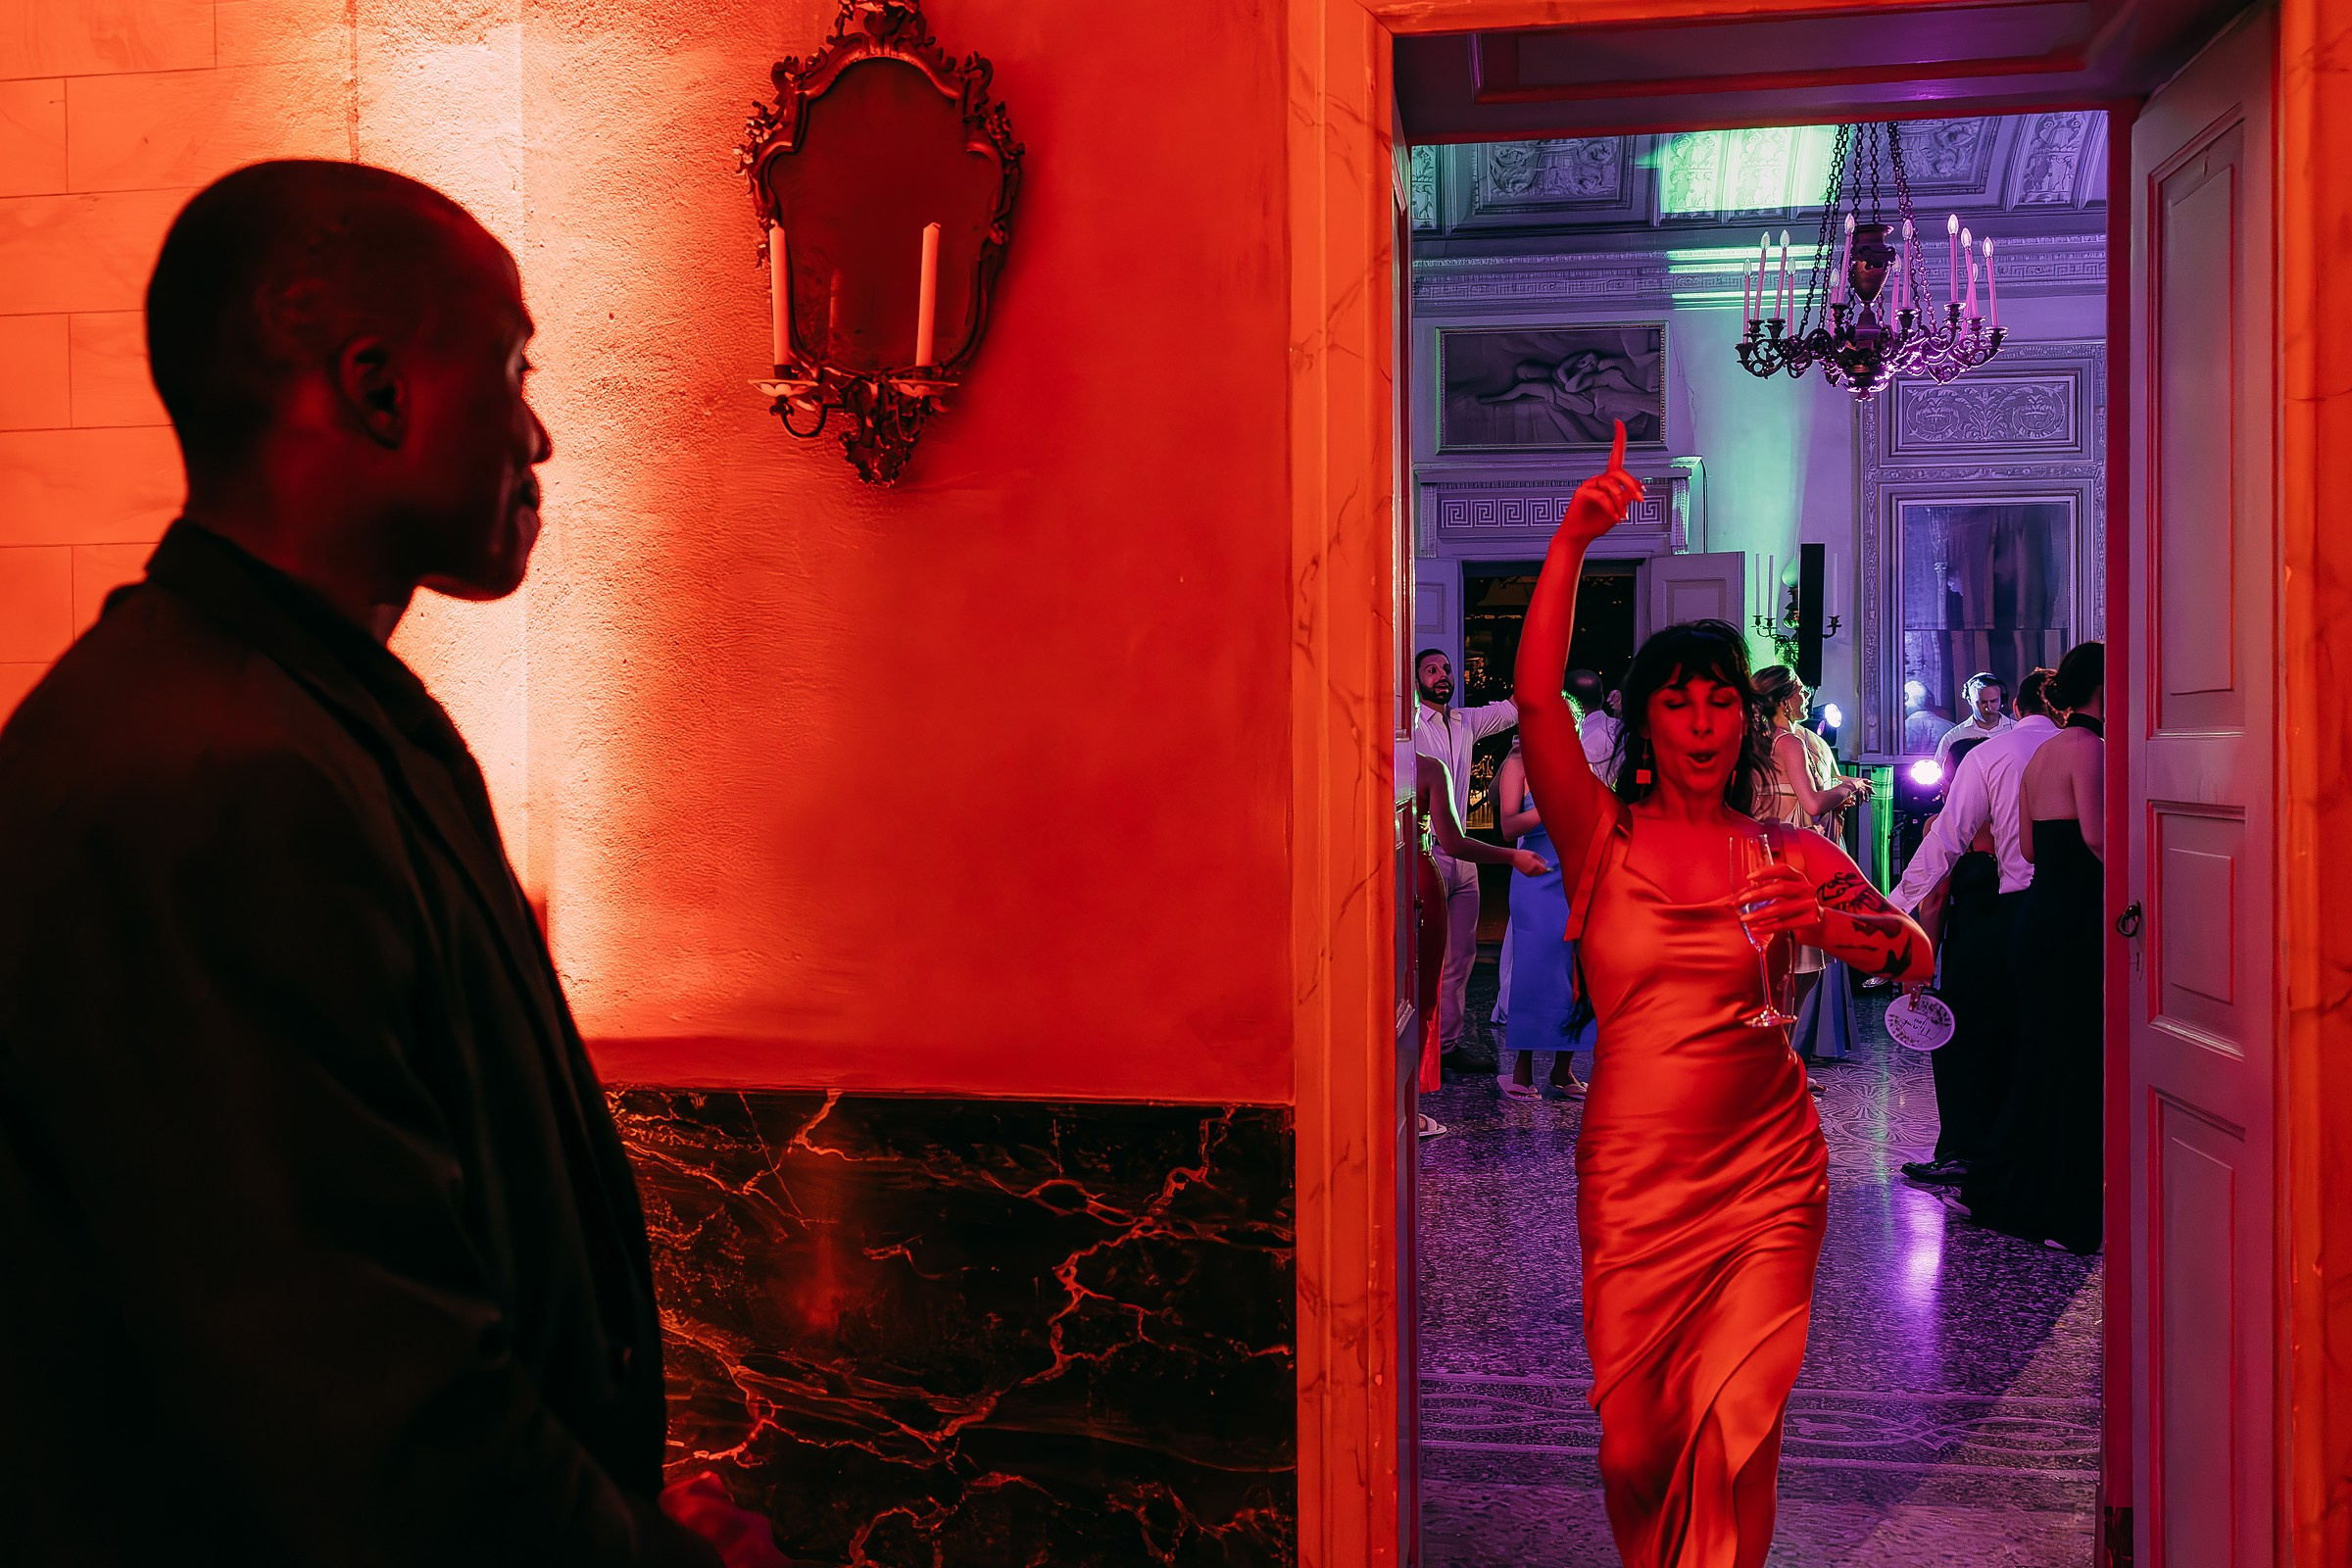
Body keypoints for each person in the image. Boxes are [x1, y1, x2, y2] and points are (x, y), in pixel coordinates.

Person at [0, 163, 781, 1566]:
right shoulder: (215, 785)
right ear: (378, 391)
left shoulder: (307, 722)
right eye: (513, 365)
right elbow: (363, 1414)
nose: (537, 433)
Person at [1517, 422, 1934, 1567]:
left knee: (1741, 1425)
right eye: (1679, 702)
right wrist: (1571, 540)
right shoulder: (1599, 840)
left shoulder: (1787, 850)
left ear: (1744, 723)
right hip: (1636, 1177)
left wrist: (1843, 929)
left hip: (1766, 1173)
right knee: (1636, 1446)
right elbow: (1539, 703)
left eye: (1720, 703)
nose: (1703, 722)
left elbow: (1910, 952)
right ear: (1646, 724)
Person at [1953, 643, 2106, 1254]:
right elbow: (2098, 841)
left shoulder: (2043, 752)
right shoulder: (2089, 750)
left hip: (2036, 917)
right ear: (2103, 687)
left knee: (2040, 1061)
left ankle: (2007, 1189)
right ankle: (2066, 1212)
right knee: (2070, 1066)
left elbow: (2037, 852)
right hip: (2071, 922)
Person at [1886, 668, 2063, 1185]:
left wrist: (1894, 913)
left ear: (2013, 707)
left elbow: (1944, 849)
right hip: (2064, 911)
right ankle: (2031, 1155)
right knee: (2036, 1037)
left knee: (1968, 1038)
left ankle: (1968, 1152)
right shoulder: (2089, 750)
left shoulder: (1990, 756)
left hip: (1996, 917)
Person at [1410, 747, 1550, 1137]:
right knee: (1421, 994)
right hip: (1418, 870)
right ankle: (1407, 1105)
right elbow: (1453, 842)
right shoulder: (1426, 767)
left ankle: (1377, 1100)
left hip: (1364, 874)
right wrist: (1511, 858)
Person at [1751, 665, 1872, 1075]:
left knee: (1785, 970)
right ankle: (1780, 1068)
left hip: (1766, 854)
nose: (1806, 697)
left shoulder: (1754, 740)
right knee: (1798, 970)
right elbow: (1814, 803)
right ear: (1785, 699)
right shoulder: (1787, 740)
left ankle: (1779, 1066)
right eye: (1801, 691)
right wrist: (1850, 787)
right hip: (1793, 860)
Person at [1412, 647, 1520, 1072]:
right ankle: (1418, 1049)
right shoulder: (1410, 725)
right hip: (1428, 851)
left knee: (1462, 955)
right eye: (1431, 669)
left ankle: (1447, 1044)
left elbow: (1514, 708)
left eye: (1446, 668)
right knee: (1426, 957)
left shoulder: (1465, 721)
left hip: (1463, 855)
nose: (1441, 674)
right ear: (1417, 679)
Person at [1496, 732, 1587, 1101]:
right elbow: (1507, 827)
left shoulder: (1575, 767)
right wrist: (1550, 804)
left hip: (1574, 872)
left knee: (1576, 969)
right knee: (1534, 970)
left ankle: (1563, 1071)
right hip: (1536, 872)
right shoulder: (1518, 763)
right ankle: (1522, 1070)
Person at [1933, 672, 2015, 773]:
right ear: (1969, 700)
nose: (1989, 708)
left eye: (1993, 701)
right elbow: (1941, 774)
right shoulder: (1953, 737)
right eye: (1983, 702)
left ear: (2002, 700)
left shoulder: (2016, 729)